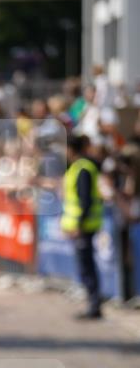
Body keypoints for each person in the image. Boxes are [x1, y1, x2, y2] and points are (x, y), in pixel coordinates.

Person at [61, 134, 104, 319]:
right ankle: (92, 304)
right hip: (83, 225)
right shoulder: (78, 168)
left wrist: (79, 224)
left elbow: (85, 200)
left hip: (84, 226)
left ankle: (94, 306)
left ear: (71, 149)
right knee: (85, 266)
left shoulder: (82, 169)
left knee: (87, 267)